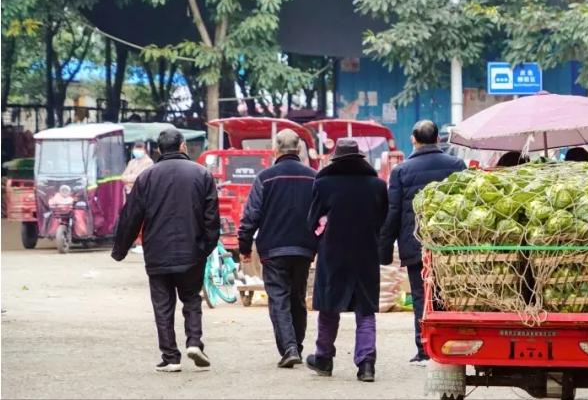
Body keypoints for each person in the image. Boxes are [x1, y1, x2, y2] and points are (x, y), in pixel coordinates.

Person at [112, 129, 219, 373]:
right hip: (192, 252)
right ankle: (194, 342)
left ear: (159, 150)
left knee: (162, 304)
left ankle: (171, 357)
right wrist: (206, 247)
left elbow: (131, 217)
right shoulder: (202, 174)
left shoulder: (147, 177)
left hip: (157, 252)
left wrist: (120, 250)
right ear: (183, 146)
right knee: (192, 299)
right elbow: (212, 218)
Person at [379, 120, 465, 365]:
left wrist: (384, 251)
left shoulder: (401, 171)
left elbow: (393, 212)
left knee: (421, 296)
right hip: (450, 244)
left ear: (413, 140)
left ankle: (425, 349)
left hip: (415, 243)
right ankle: (451, 345)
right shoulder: (456, 165)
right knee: (449, 293)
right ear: (438, 139)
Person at [307, 139, 388, 382]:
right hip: (366, 253)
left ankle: (324, 358)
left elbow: (312, 221)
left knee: (329, 306)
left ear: (336, 159)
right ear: (360, 159)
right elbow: (382, 219)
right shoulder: (377, 185)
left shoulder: (322, 184)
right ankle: (366, 365)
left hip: (333, 253)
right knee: (365, 310)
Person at [238, 129, 318, 368]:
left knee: (279, 299)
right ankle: (297, 346)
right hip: (304, 249)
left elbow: (251, 216)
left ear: (275, 149)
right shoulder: (313, 177)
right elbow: (322, 215)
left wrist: (244, 246)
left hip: (273, 251)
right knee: (298, 298)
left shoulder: (265, 178)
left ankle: (289, 348)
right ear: (299, 149)